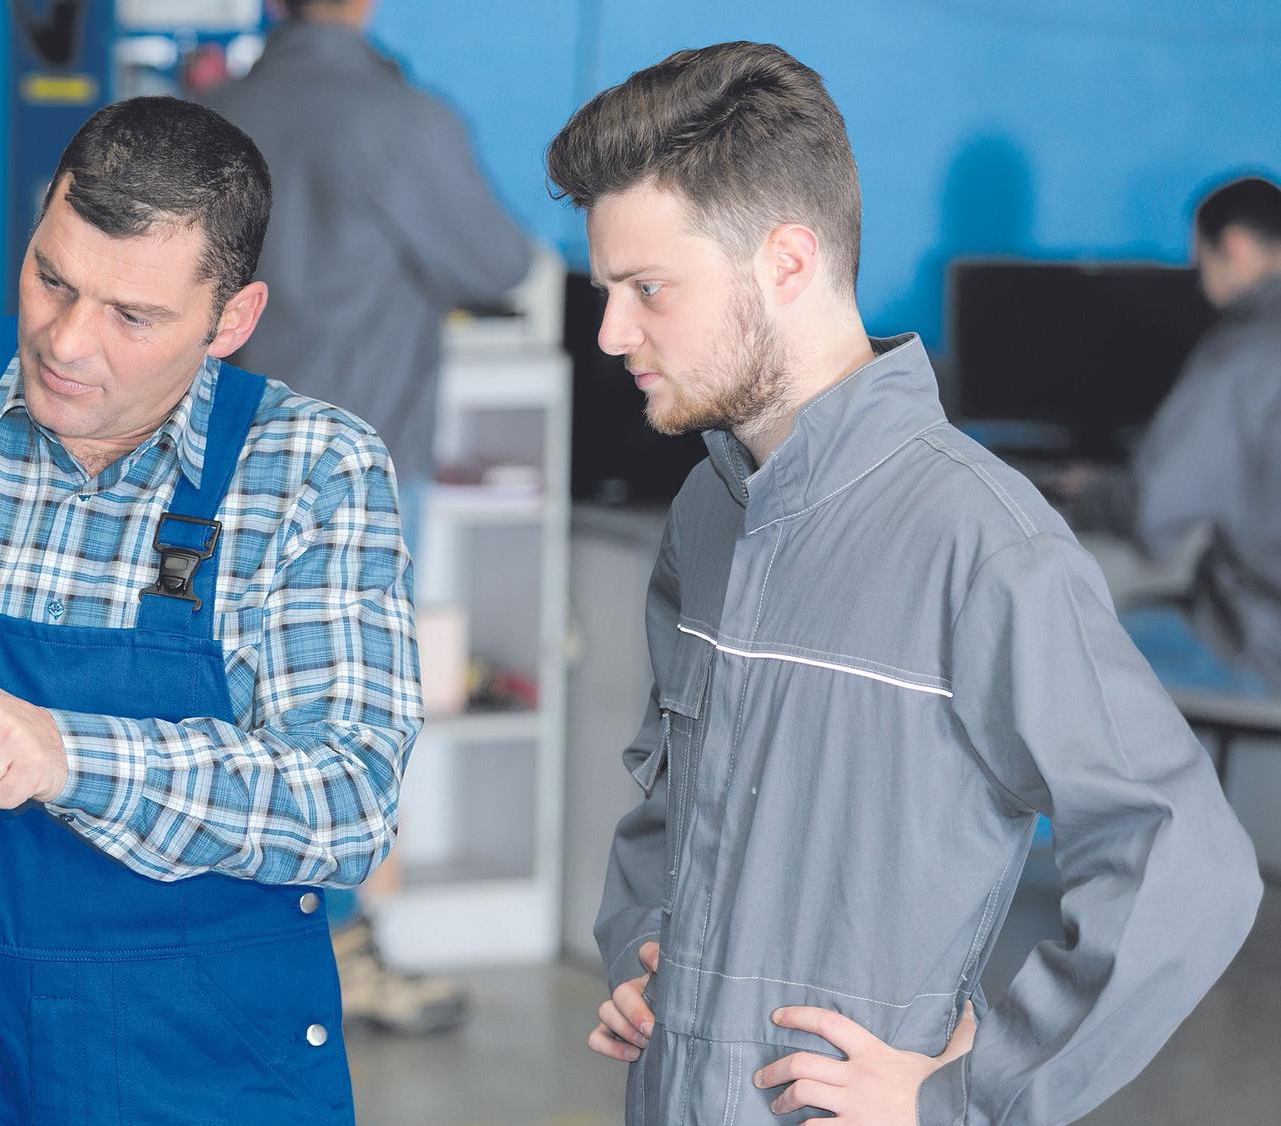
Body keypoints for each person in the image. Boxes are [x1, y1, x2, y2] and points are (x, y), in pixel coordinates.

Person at [547, 42, 1263, 1125]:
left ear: (786, 262)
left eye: (646, 288)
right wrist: (644, 947)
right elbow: (669, 803)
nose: (609, 333)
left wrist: (967, 1094)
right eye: (607, 289)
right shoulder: (705, 513)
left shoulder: (980, 541)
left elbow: (1185, 865)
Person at [0, 96, 421, 1125]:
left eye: (132, 316)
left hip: (212, 1074)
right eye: (51, 279)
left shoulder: (311, 467)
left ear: (232, 319)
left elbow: (348, 799)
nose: (67, 344)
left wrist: (69, 754)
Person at [203, 0, 531, 1036]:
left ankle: (249, 954)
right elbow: (498, 266)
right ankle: (337, 958)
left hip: (217, 466)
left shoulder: (217, 111)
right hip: (362, 472)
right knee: (343, 723)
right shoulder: (400, 121)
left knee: (233, 711)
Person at [1060, 175, 1281, 698]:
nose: (1199, 281)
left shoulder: (1243, 354)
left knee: (1071, 651)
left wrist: (1089, 493)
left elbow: (1154, 511)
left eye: (1199, 262)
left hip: (1260, 645)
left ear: (1235, 249)